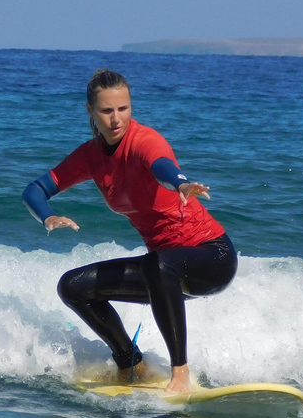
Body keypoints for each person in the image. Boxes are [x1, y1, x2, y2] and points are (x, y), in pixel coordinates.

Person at [22, 69, 237, 393]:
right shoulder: (91, 156)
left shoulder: (144, 141)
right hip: (162, 272)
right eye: (107, 110)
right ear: (91, 111)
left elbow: (161, 165)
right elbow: (36, 189)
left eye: (123, 109)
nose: (115, 118)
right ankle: (131, 362)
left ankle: (181, 374)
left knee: (157, 263)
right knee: (74, 287)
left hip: (213, 257)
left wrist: (180, 183)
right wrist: (47, 217)